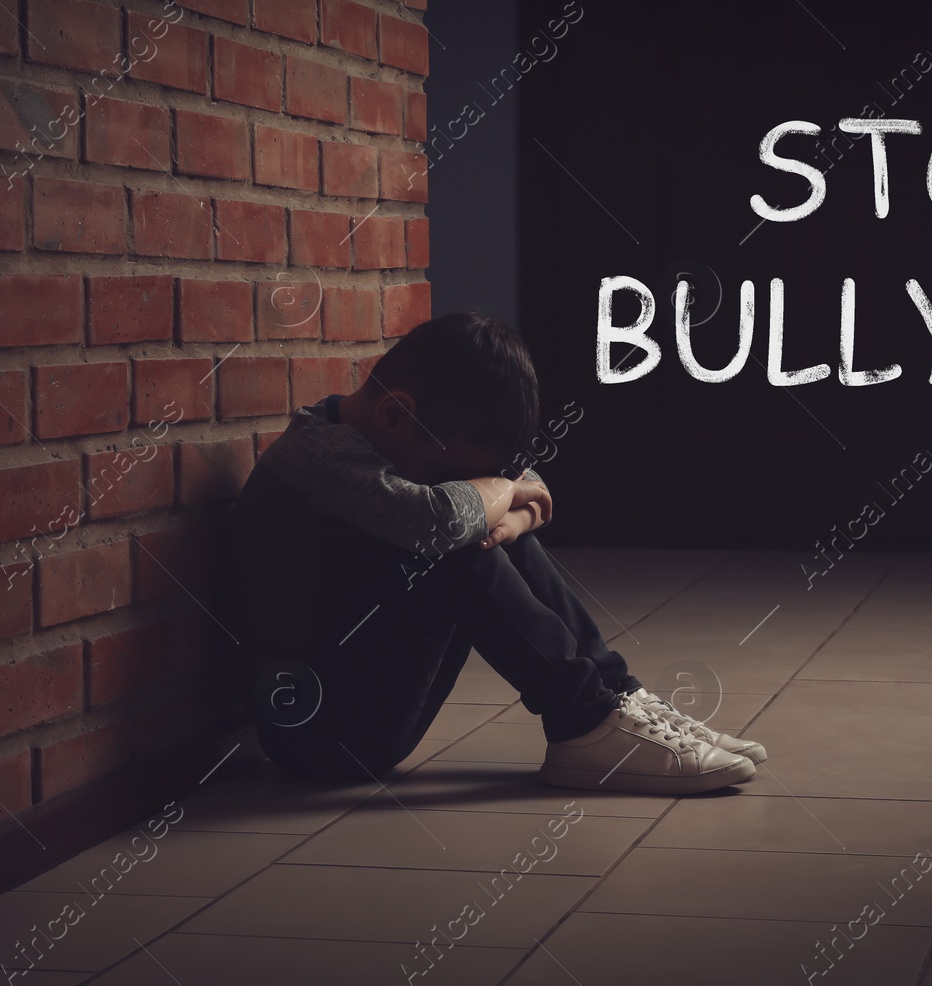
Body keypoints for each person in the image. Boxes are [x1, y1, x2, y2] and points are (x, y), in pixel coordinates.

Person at [215, 312, 765, 794]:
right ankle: (584, 723)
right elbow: (442, 517)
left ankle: (612, 697)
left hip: (364, 709)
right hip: (322, 738)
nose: (461, 483)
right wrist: (505, 504)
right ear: (394, 414)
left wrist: (515, 513)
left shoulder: (381, 435)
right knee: (448, 541)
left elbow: (521, 486)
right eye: (451, 471)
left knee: (472, 524)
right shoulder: (320, 460)